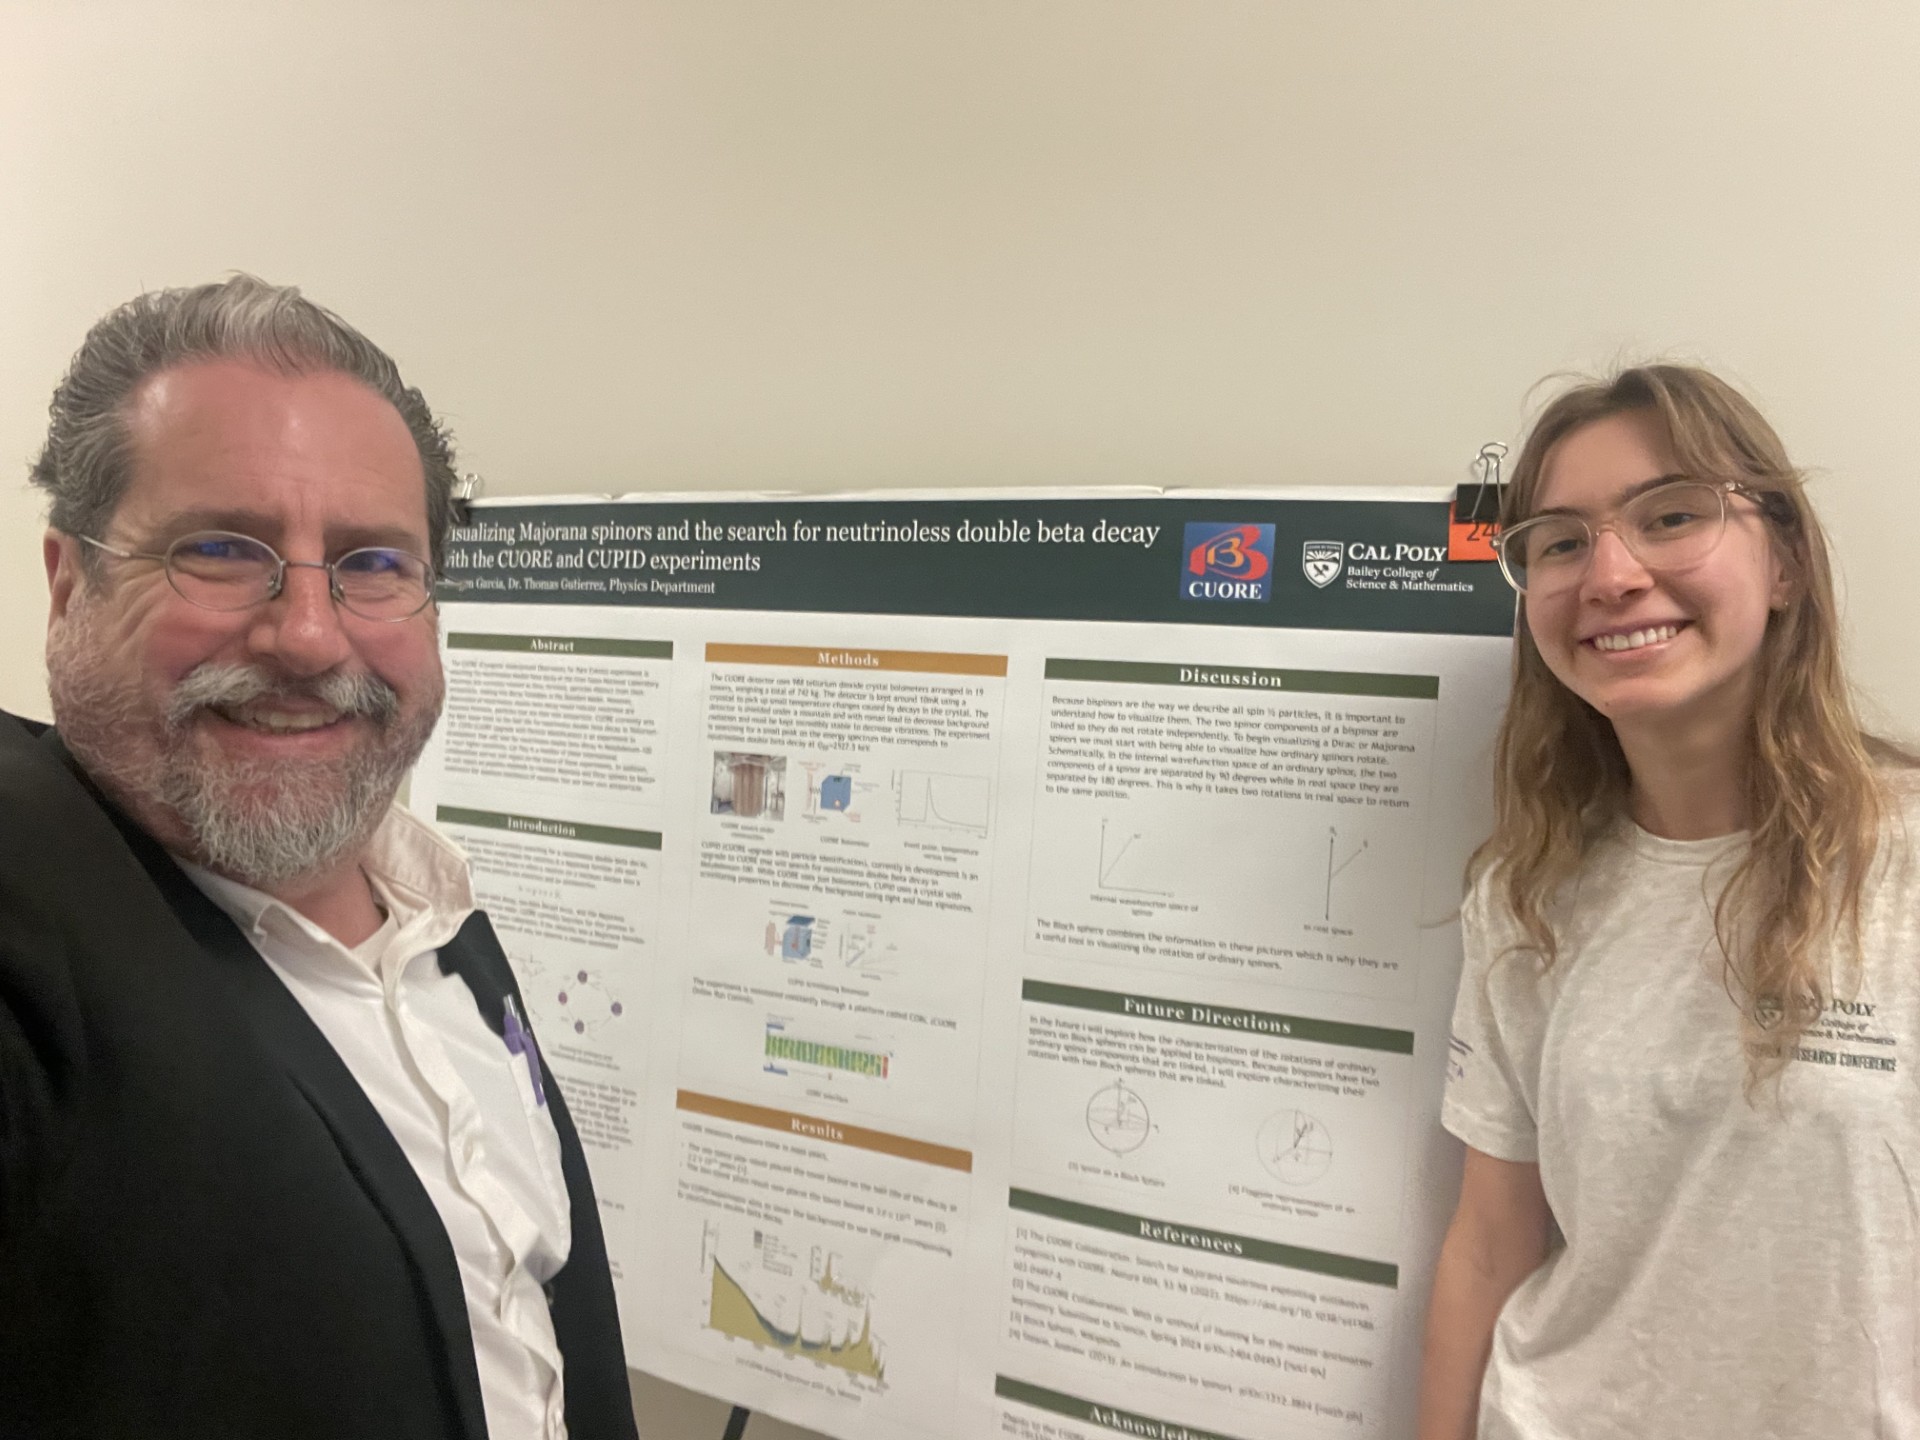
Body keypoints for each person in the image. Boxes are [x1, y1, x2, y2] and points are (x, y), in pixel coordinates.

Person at [0, 276, 639, 1440]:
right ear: (67, 586)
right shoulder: (28, 905)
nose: (306, 633)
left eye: (374, 563)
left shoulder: (435, 915)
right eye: (219, 550)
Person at [1418, 364, 1919, 1438]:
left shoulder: (1906, 866)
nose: (1610, 574)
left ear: (1784, 559)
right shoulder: (1525, 896)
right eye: (1558, 540)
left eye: (1671, 515)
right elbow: (1489, 1243)